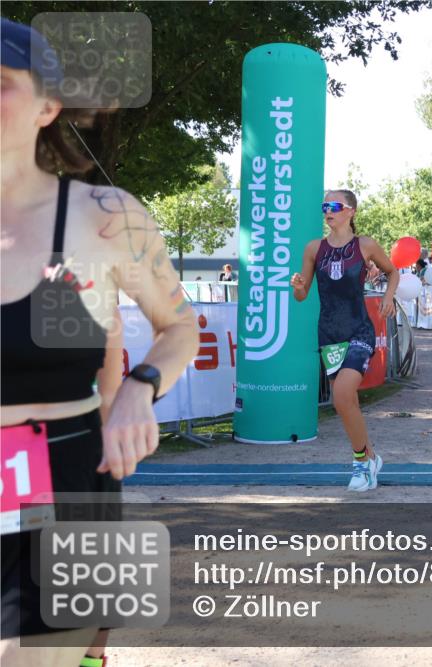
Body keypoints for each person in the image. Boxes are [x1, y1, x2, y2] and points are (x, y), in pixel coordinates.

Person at [1, 18, 199, 662]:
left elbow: (178, 327)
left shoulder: (106, 218)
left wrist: (140, 390)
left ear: (47, 106)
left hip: (60, 479)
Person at [291, 190, 399, 492]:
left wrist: (388, 297)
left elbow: (392, 272)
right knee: (346, 401)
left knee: (341, 395)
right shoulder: (314, 248)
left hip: (359, 331)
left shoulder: (365, 246)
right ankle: (372, 456)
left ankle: (361, 464)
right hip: (328, 334)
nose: (328, 211)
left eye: (334, 206)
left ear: (350, 211)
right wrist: (297, 287)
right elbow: (302, 296)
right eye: (324, 205)